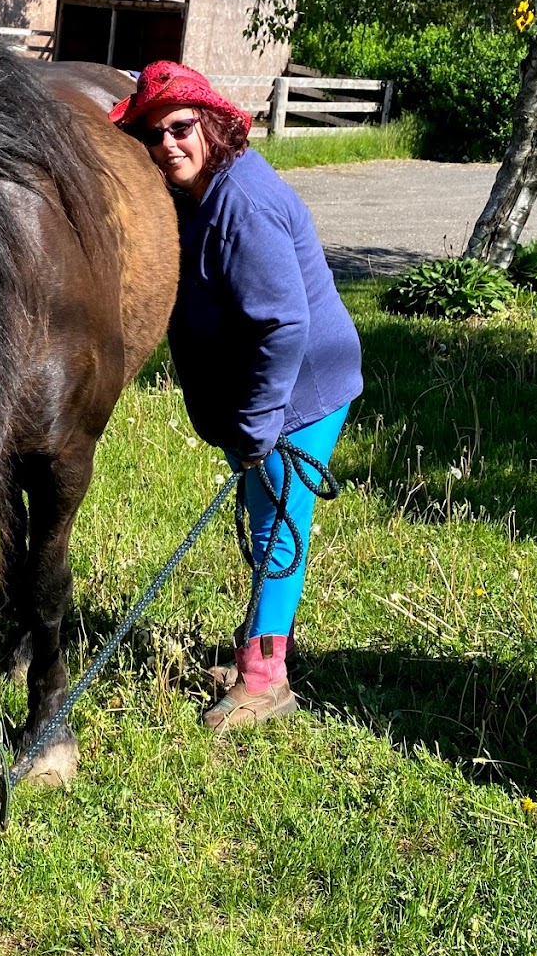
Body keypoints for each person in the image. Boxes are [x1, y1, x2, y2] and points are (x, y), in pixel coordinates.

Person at [109, 61, 363, 730]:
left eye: (181, 127)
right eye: (152, 134)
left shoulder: (240, 203)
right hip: (259, 398)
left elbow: (283, 323)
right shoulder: (200, 192)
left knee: (279, 532)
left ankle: (265, 678)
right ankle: (257, 643)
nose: (167, 143)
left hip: (297, 392)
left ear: (214, 124)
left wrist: (256, 425)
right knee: (263, 523)